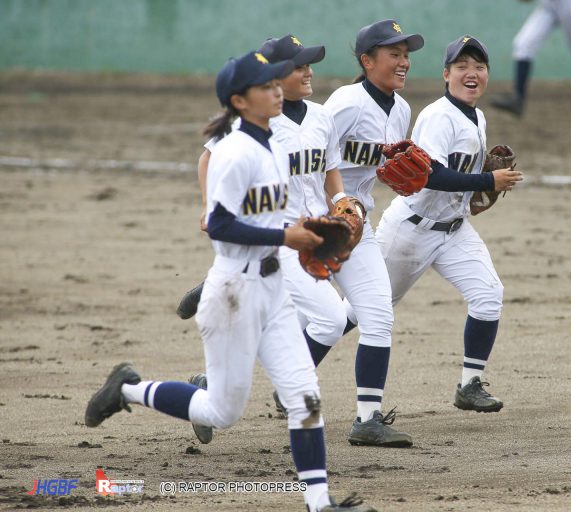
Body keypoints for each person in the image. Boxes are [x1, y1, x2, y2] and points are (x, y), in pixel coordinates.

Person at [84, 51, 375, 512]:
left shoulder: (274, 144)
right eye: (265, 86)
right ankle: (126, 389)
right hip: (234, 293)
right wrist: (287, 234)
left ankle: (320, 503)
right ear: (240, 100)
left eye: (276, 83)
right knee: (222, 411)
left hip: (275, 290)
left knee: (306, 398)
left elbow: (274, 213)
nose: (277, 89)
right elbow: (218, 226)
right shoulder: (234, 152)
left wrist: (312, 231)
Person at [185, 34, 356, 446]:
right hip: (278, 241)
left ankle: (217, 382)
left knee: (294, 324)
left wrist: (341, 202)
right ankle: (281, 390)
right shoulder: (254, 127)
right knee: (332, 319)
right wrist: (210, 207)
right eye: (299, 66)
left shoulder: (317, 117)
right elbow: (209, 156)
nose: (308, 71)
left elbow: (329, 168)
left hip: (304, 236)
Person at [375, 36, 523, 412]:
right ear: (446, 75)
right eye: (462, 67)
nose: (471, 74)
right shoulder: (438, 116)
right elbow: (430, 176)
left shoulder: (477, 115)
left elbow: (460, 179)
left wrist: (476, 187)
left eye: (479, 67)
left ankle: (470, 384)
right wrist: (487, 182)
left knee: (488, 295)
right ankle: (294, 371)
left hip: (454, 230)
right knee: (362, 310)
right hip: (410, 231)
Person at [320, 19, 425, 448]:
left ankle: (368, 419)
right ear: (367, 61)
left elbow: (374, 173)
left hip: (359, 226)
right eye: (393, 54)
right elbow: (308, 156)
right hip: (317, 224)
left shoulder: (401, 109)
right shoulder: (345, 103)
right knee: (308, 320)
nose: (403, 62)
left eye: (406, 54)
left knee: (377, 314)